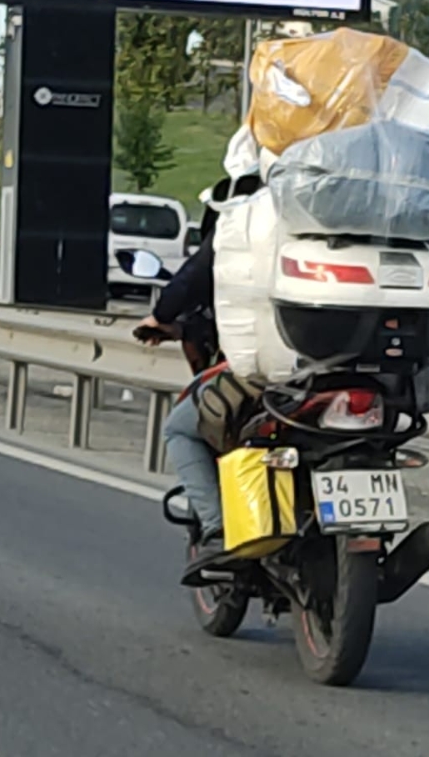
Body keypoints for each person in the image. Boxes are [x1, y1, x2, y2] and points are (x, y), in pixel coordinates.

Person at [136, 174, 260, 582]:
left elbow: (191, 280)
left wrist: (160, 316)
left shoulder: (242, 232)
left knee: (180, 430)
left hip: (265, 375)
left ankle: (217, 529)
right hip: (351, 374)